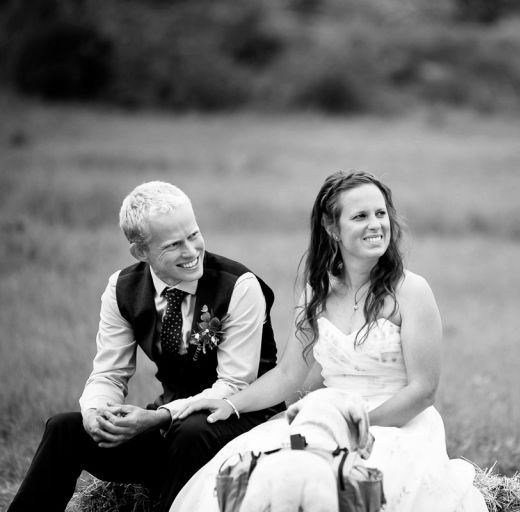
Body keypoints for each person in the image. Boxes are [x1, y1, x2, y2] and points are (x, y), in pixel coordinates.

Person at [170, 171, 488, 511]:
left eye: (381, 214)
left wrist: (349, 430)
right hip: (324, 417)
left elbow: (422, 391)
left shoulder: (412, 291)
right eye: (360, 216)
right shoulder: (317, 291)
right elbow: (288, 375)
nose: (376, 225)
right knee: (253, 468)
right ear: (332, 227)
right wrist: (232, 404)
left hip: (395, 425)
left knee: (356, 481)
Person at [8, 181, 285, 512]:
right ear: (141, 252)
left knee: (191, 432)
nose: (192, 250)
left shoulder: (239, 286)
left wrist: (159, 419)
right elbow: (109, 373)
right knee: (64, 429)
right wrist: (97, 413)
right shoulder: (121, 288)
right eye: (173, 245)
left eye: (194, 234)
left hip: (241, 420)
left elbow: (233, 385)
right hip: (171, 424)